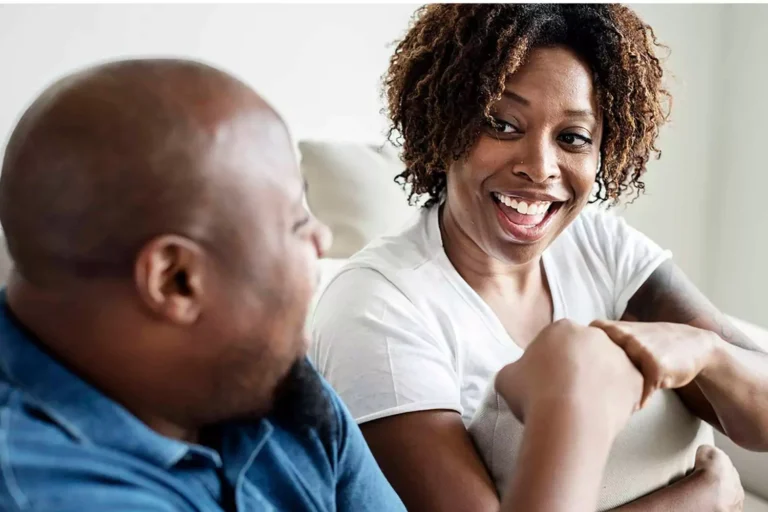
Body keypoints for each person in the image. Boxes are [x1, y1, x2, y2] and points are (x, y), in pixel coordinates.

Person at [0, 56, 656, 512]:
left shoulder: (281, 387)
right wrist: (570, 412)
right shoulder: (41, 486)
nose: (322, 241)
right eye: (293, 221)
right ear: (176, 280)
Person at [310, 4, 766, 511]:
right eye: (502, 125)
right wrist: (701, 500)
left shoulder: (599, 244)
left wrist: (704, 350)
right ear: (443, 127)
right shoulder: (377, 307)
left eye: (572, 137)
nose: (539, 167)